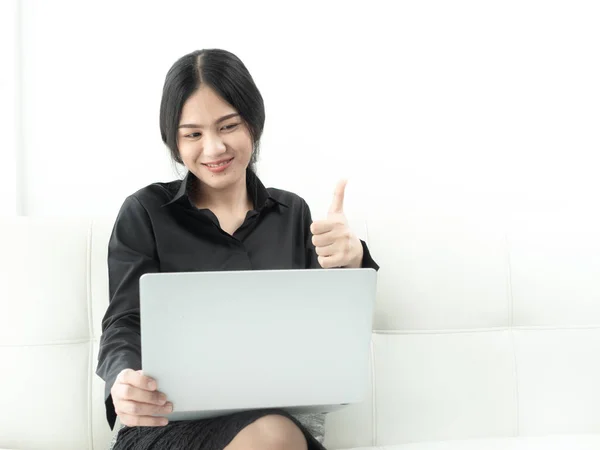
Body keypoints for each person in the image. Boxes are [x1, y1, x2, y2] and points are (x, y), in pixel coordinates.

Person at [96, 48, 379, 450]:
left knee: (273, 431)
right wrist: (121, 379)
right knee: (273, 435)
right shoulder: (145, 212)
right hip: (165, 426)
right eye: (193, 134)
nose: (213, 149)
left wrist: (353, 261)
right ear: (174, 142)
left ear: (253, 124)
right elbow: (123, 322)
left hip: (278, 425)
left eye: (228, 126)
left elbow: (332, 327)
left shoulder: (293, 213)